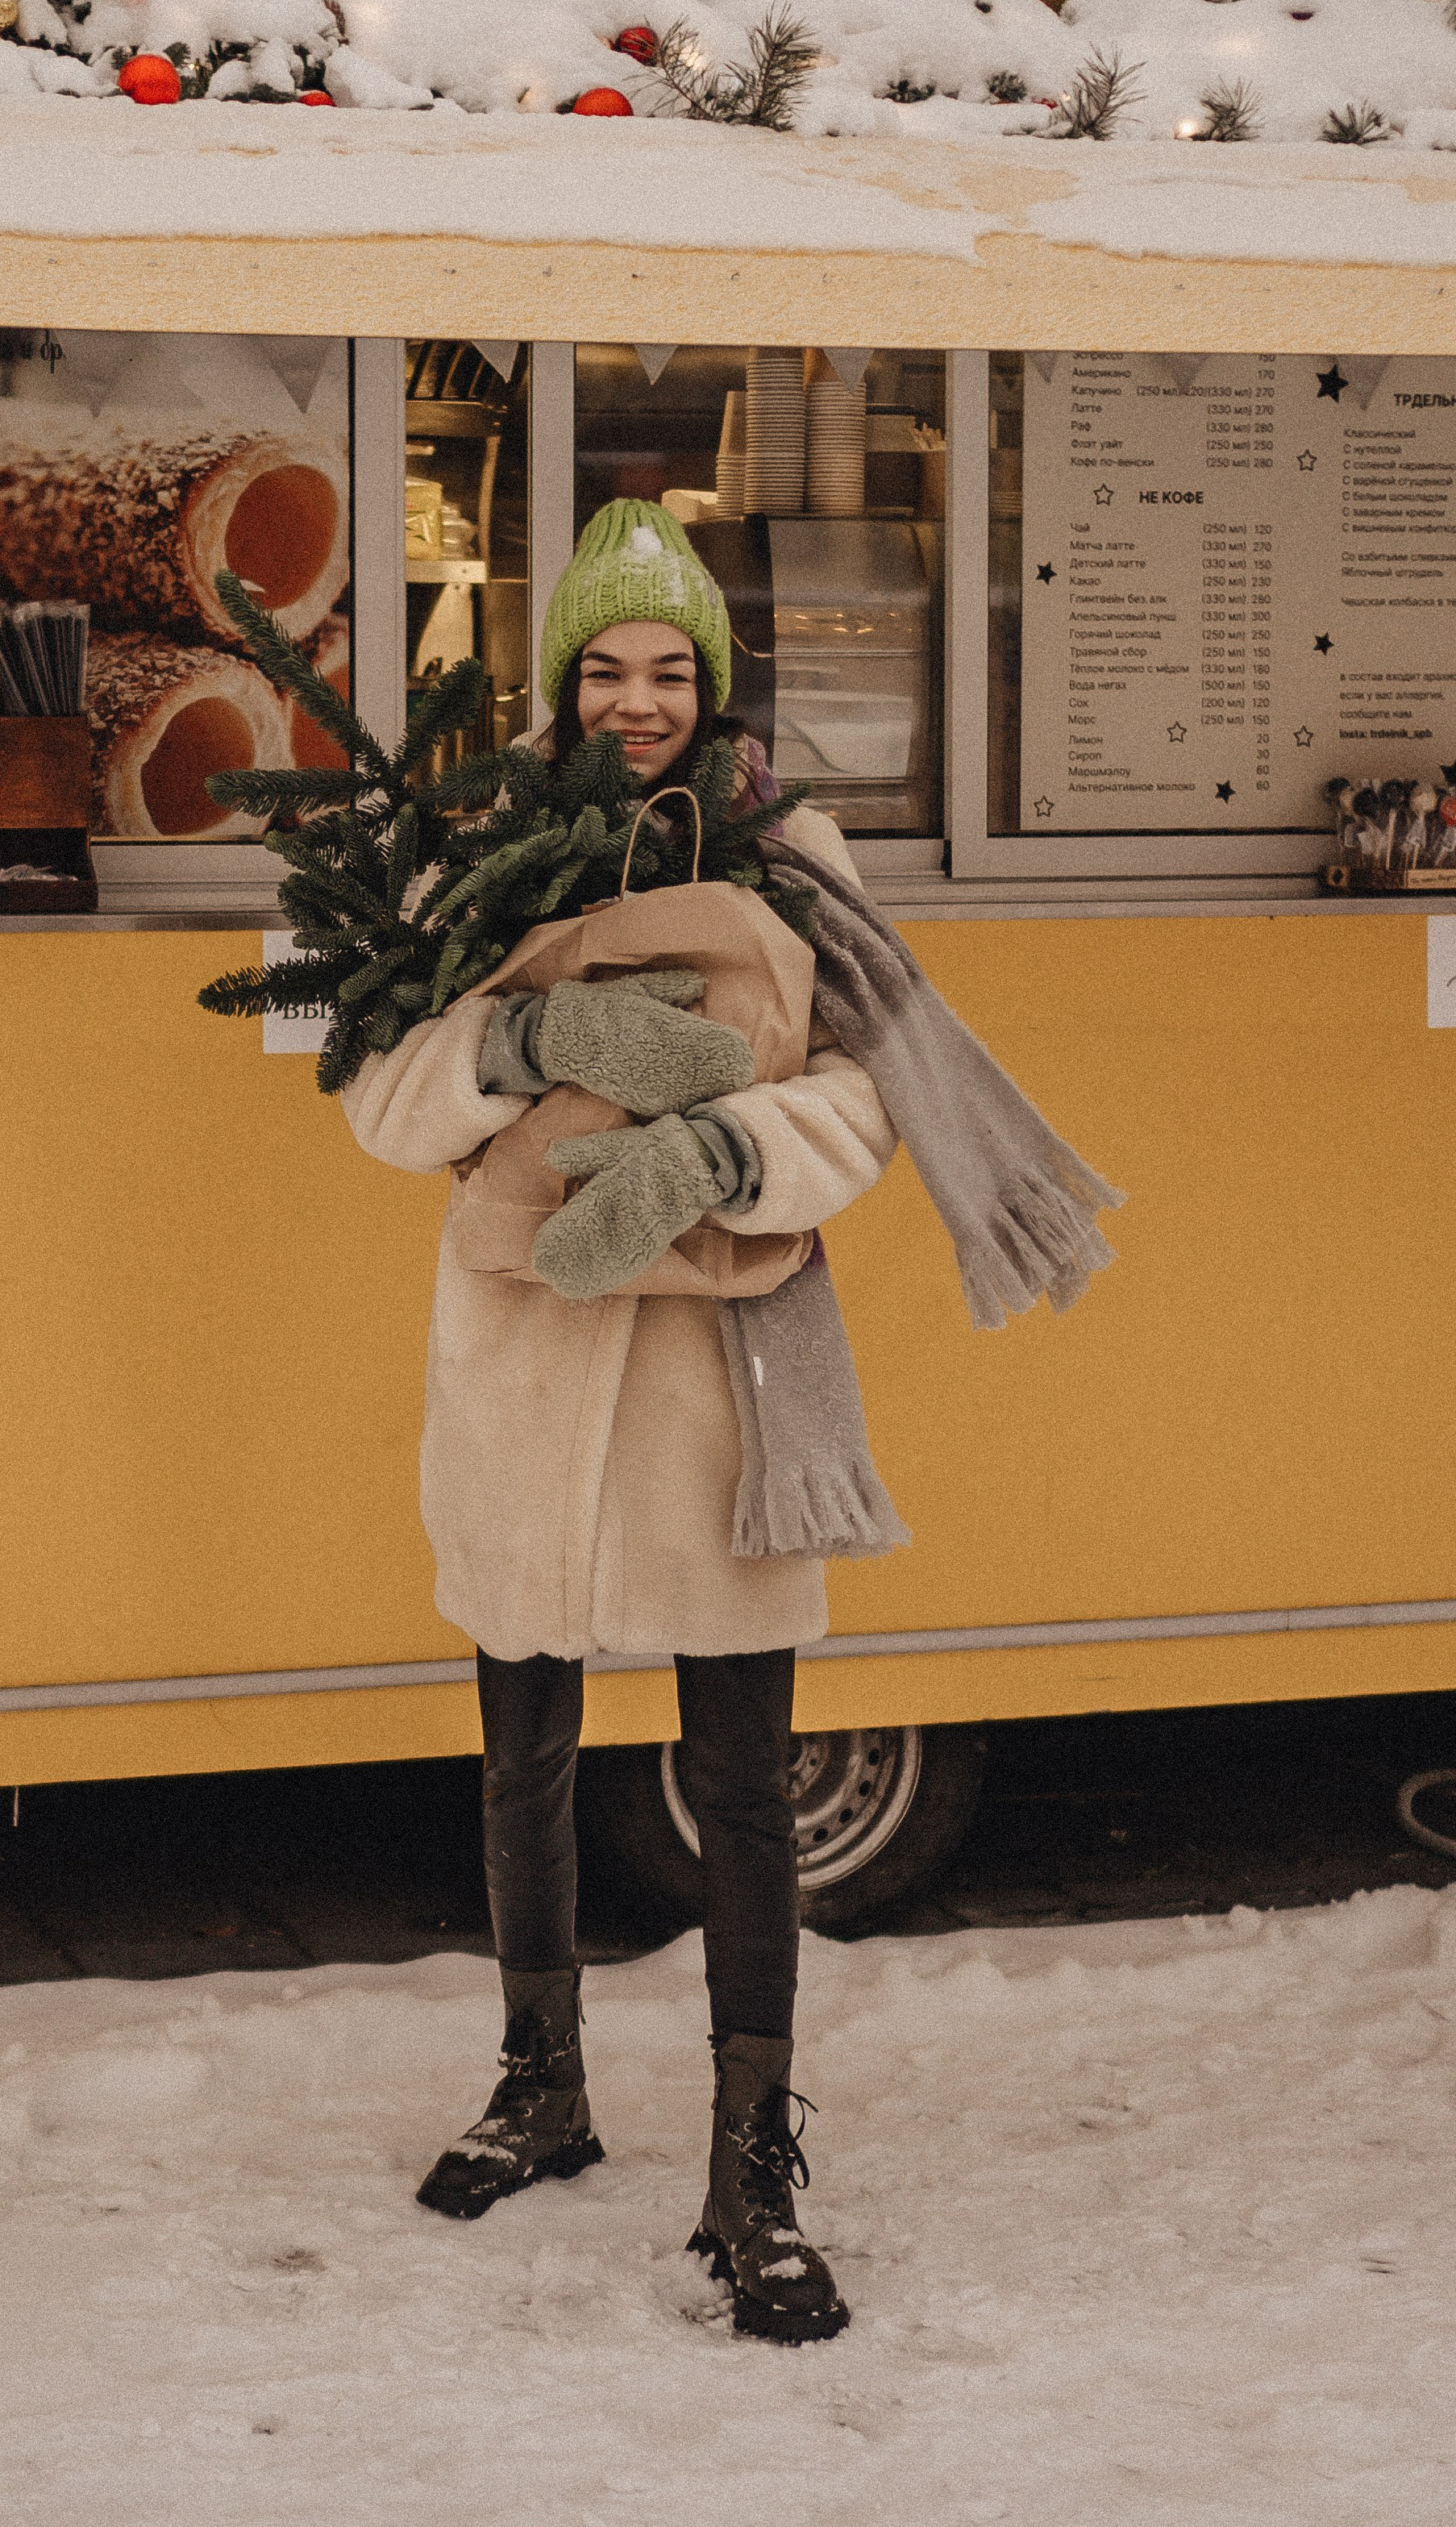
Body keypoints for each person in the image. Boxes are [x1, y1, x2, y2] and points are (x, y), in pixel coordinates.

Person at [341, 500, 896, 2346]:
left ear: (713, 687)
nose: (638, 698)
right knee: (521, 1748)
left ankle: (752, 2165)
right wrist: (511, 1048)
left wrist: (731, 1144)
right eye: (605, 664)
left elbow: (866, 1109)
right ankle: (540, 2084)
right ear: (558, 680)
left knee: (739, 1783)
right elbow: (381, 1105)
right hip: (522, 1344)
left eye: (670, 669)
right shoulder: (487, 861)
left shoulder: (798, 862)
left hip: (717, 1371)